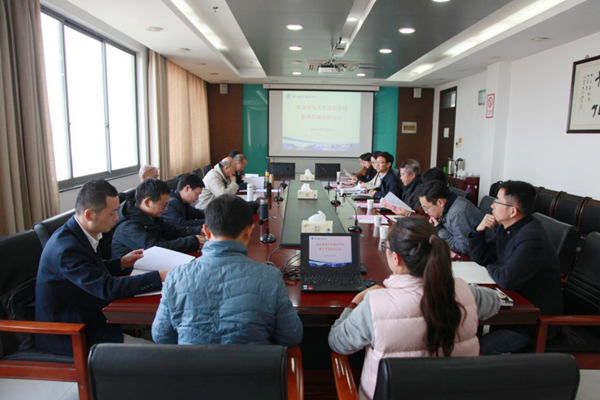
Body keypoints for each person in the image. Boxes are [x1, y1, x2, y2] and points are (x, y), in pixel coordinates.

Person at [328, 217, 499, 400]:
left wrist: (355, 302)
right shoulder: (466, 292)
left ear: (396, 258)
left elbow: (337, 342)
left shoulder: (374, 305)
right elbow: (495, 301)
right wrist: (455, 285)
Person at [35, 179, 168, 356]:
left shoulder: (78, 232)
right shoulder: (67, 248)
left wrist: (120, 262)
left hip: (93, 312)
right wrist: (159, 276)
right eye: (112, 213)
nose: (117, 218)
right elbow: (108, 288)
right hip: (74, 333)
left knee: (166, 320)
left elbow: (89, 269)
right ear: (89, 214)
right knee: (159, 355)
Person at [152, 194, 303, 347]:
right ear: (249, 231)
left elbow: (161, 336)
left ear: (206, 231)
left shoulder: (175, 277)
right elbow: (291, 337)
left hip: (192, 363)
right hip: (253, 363)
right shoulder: (271, 278)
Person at [468, 180, 563, 355]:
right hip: (514, 309)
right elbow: (482, 257)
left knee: (472, 351)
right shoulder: (508, 228)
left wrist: (491, 265)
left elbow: (506, 279)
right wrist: (478, 231)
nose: (492, 206)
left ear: (513, 211)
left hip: (533, 322)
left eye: (497, 201)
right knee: (462, 337)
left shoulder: (531, 238)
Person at [112, 179, 204, 258]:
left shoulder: (151, 215)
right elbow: (154, 249)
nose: (166, 208)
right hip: (132, 270)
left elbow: (173, 230)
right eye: (163, 205)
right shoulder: (128, 226)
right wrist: (190, 242)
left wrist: (199, 230)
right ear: (147, 202)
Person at [418, 180, 484, 255]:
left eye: (426, 208)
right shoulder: (451, 203)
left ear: (440, 202)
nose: (426, 212)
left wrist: (440, 229)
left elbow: (465, 248)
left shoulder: (457, 214)